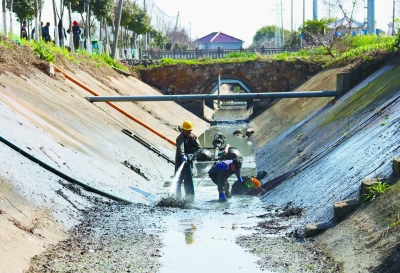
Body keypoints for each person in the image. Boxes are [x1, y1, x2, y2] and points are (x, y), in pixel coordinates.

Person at [175, 120, 201, 200]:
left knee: (188, 178)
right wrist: (183, 156)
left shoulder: (194, 137)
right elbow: (181, 148)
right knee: (179, 179)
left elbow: (198, 148)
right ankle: (178, 196)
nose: (188, 132)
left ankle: (188, 196)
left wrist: (193, 154)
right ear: (183, 130)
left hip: (190, 160)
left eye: (190, 130)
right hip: (180, 160)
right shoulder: (180, 138)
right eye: (187, 130)